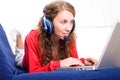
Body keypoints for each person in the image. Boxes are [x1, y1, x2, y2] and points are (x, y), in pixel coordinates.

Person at [22, 0, 97, 73]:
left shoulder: (69, 37)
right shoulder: (32, 37)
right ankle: (18, 37)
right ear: (48, 23)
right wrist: (60, 64)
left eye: (71, 22)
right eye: (63, 22)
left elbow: (71, 63)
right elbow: (33, 72)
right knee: (19, 56)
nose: (68, 28)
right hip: (25, 60)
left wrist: (83, 62)